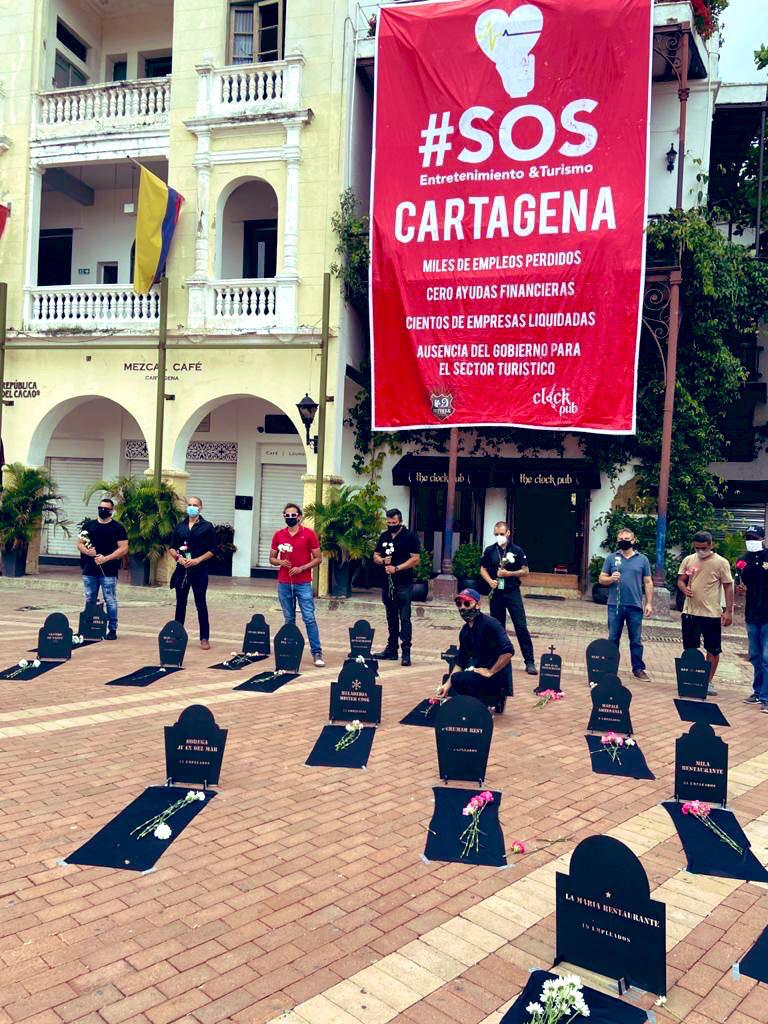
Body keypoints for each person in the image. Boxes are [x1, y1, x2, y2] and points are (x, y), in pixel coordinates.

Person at [436, 589, 513, 712]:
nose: (463, 608)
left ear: (478, 605)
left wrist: (490, 671)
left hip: (496, 676)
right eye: (459, 604)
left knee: (460, 679)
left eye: (467, 603)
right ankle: (482, 703)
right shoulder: (465, 631)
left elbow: (508, 650)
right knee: (456, 679)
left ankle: (494, 698)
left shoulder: (491, 624)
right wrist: (447, 685)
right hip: (479, 674)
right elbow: (461, 661)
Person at [677, 530, 734, 695]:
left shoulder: (721, 562)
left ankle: (707, 681)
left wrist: (728, 611)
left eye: (703, 548)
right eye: (697, 548)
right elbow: (681, 580)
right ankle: (691, 679)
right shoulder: (689, 560)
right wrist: (684, 588)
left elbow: (728, 586)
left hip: (711, 614)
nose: (700, 551)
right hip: (690, 612)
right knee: (690, 648)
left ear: (711, 545)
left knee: (713, 649)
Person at [269, 502, 324, 667]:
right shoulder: (278, 535)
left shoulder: (309, 534)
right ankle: (290, 651)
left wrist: (302, 568)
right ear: (283, 516)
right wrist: (280, 562)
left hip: (303, 583)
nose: (290, 518)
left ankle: (316, 652)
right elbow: (271, 559)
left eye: (293, 515)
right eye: (287, 515)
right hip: (284, 583)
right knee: (289, 619)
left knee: (309, 618)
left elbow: (318, 558)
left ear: (299, 517)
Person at [480, 521, 536, 676]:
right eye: (496, 534)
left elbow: (526, 571)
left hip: (512, 592)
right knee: (498, 627)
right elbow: (483, 569)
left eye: (501, 534)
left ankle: (529, 661)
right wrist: (489, 581)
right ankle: (499, 659)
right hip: (496, 592)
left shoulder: (516, 550)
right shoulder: (490, 550)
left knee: (520, 625)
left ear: (508, 533)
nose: (499, 536)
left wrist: (509, 574)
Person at [598, 527, 653, 680]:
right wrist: (610, 579)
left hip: (635, 605)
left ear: (633, 540)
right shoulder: (611, 558)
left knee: (635, 640)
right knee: (613, 638)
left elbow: (648, 582)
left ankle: (638, 668)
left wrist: (649, 603)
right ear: (617, 541)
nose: (624, 542)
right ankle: (610, 668)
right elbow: (601, 579)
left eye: (627, 539)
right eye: (621, 539)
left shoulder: (642, 559)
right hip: (614, 605)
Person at [372, 508, 421, 667]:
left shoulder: (409, 536)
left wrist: (397, 568)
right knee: (391, 617)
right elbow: (375, 554)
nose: (391, 525)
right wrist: (381, 560)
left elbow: (416, 559)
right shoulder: (384, 536)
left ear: (400, 521)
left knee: (404, 617)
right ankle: (391, 649)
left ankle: (406, 651)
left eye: (394, 522)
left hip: (404, 583)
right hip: (387, 583)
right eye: (389, 522)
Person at [75, 497, 128, 641]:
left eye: (106, 509)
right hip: (89, 569)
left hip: (109, 570)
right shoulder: (88, 526)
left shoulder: (118, 528)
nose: (103, 510)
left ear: (111, 511)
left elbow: (123, 548)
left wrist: (107, 558)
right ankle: (89, 627)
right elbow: (79, 543)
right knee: (89, 598)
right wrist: (87, 552)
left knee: (110, 599)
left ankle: (112, 629)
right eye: (100, 508)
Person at [169, 496, 216, 650]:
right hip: (182, 570)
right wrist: (178, 558)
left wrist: (197, 560)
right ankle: (177, 635)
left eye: (195, 505)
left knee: (200, 604)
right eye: (189, 504)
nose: (192, 507)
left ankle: (204, 637)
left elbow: (213, 549)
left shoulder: (207, 526)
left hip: (199, 571)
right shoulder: (180, 526)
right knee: (180, 604)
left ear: (200, 507)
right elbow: (172, 547)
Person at [738, 526, 768, 711]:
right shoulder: (743, 560)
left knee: (766, 657)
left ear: (762, 539)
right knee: (755, 656)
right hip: (752, 614)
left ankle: (766, 697)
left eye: (754, 538)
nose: (751, 541)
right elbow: (742, 582)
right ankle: (758, 691)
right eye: (748, 537)